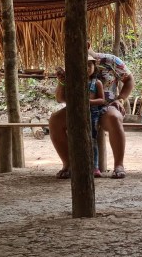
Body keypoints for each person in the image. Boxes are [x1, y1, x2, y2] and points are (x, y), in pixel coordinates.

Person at [49, 44, 134, 179]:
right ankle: (68, 164)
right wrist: (62, 81)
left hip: (107, 105)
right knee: (55, 120)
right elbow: (60, 99)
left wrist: (121, 99)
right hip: (78, 109)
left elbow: (129, 79)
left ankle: (119, 165)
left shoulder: (111, 61)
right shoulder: (72, 64)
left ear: (87, 44)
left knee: (114, 117)